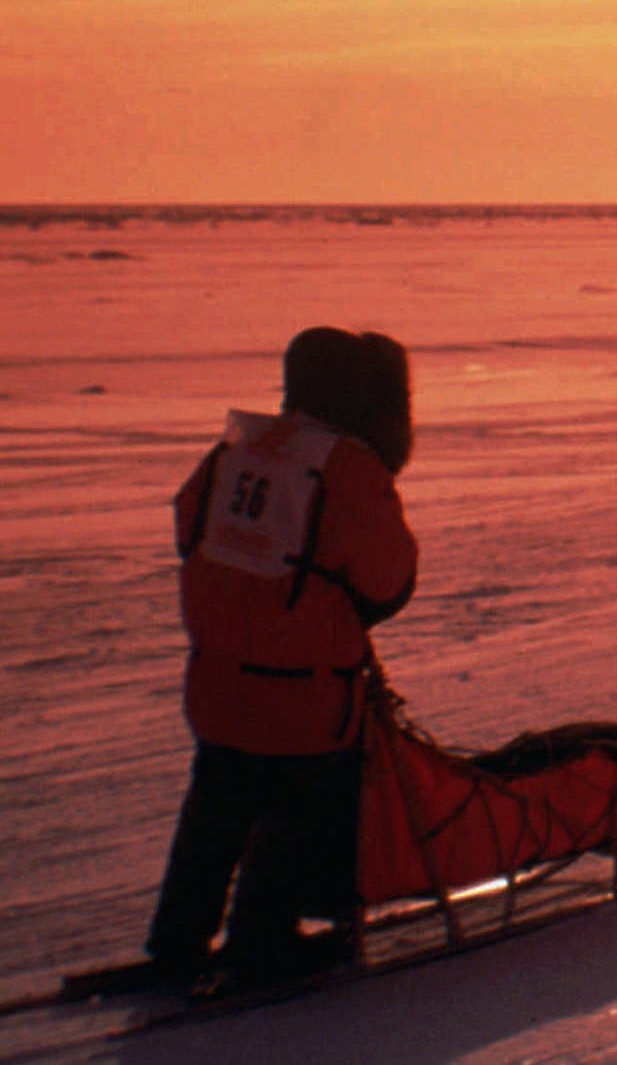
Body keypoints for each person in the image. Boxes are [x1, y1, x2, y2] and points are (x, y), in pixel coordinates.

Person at [144, 327, 419, 991]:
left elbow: (190, 529)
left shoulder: (233, 451)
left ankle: (178, 938)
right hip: (304, 694)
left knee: (214, 807)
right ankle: (261, 942)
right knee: (291, 817)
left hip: (215, 682)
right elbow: (389, 580)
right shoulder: (349, 469)